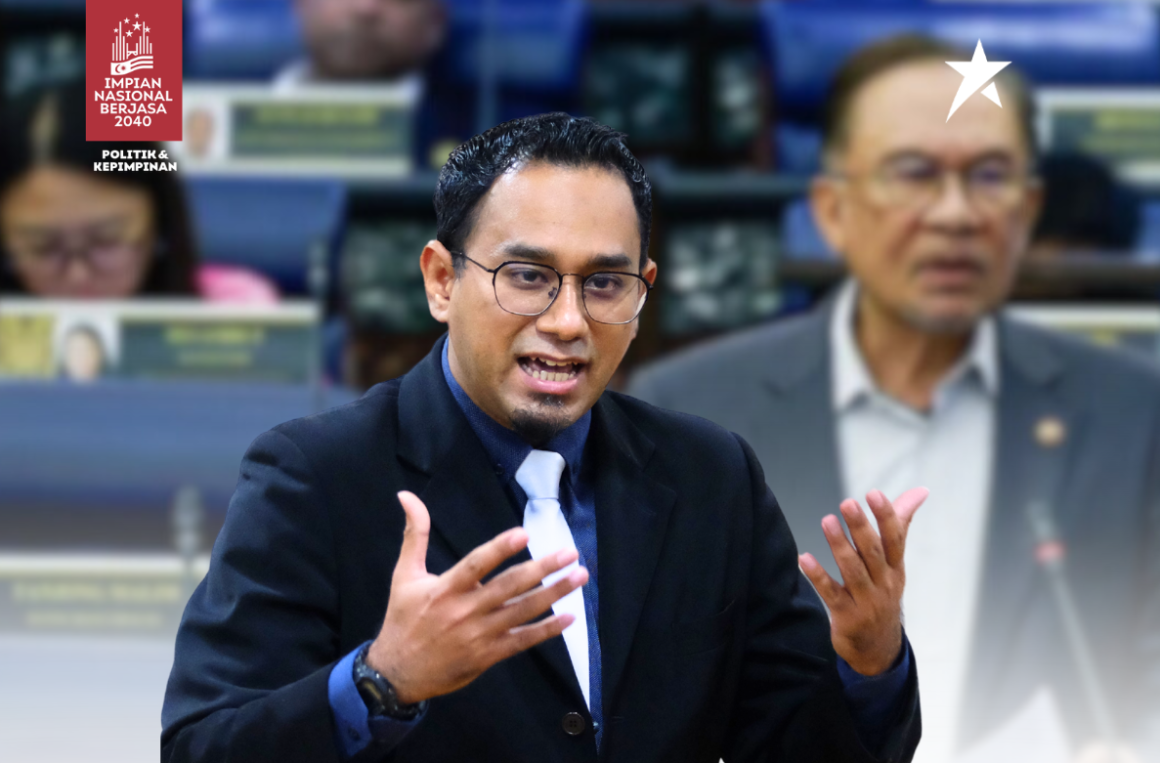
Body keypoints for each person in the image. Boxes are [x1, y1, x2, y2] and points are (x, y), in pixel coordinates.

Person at [162, 113, 924, 762]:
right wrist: (381, 681)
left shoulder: (710, 474)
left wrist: (867, 664)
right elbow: (203, 745)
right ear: (440, 280)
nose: (567, 320)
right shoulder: (315, 475)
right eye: (527, 275)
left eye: (605, 284)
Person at [629, 36, 1160, 763]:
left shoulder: (1133, 415)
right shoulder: (690, 409)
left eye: (991, 175)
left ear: (1029, 209)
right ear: (832, 209)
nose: (956, 214)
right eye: (914, 173)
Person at [0, 83, 278, 303]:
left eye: (106, 241)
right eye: (43, 248)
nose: (78, 275)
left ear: (158, 223)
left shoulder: (237, 308)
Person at [275, 0, 473, 171]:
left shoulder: (477, 135)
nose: (366, 8)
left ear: (435, 20)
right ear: (299, 4)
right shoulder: (256, 97)